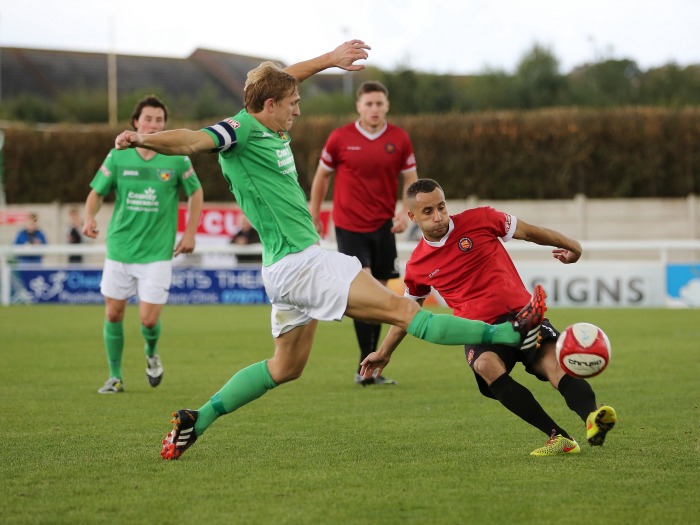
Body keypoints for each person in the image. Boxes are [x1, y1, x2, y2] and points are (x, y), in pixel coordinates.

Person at [112, 41, 545, 461]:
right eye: (293, 102)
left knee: (285, 368)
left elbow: (286, 79)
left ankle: (197, 419)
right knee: (406, 312)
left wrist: (331, 60)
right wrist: (141, 139)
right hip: (305, 264)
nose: (299, 108)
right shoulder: (238, 131)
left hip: (283, 269)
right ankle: (510, 334)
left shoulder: (265, 115)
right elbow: (190, 140)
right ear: (269, 105)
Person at [360, 178, 617, 456]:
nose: (438, 217)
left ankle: (592, 419)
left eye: (442, 207)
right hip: (478, 330)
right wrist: (384, 352)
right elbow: (407, 314)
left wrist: (574, 246)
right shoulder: (417, 266)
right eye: (428, 212)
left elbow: (530, 232)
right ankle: (558, 437)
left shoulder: (481, 218)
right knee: (486, 365)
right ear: (412, 217)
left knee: (556, 366)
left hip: (525, 316)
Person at [84, 95, 204, 394]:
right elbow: (97, 192)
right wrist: (89, 216)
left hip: (157, 254)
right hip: (120, 248)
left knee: (149, 321)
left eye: (159, 120)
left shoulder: (177, 157)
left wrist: (189, 232)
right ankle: (115, 377)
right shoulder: (117, 156)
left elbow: (196, 192)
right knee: (113, 314)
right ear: (136, 122)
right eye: (148, 119)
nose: (153, 124)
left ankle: (151, 355)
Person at [309, 81, 418, 386]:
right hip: (350, 225)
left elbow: (411, 179)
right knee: (366, 291)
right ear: (358, 106)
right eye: (368, 103)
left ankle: (370, 367)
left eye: (379, 104)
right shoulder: (340, 138)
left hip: (383, 227)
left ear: (387, 106)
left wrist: (405, 213)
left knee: (381, 297)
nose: (374, 109)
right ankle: (364, 368)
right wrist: (315, 214)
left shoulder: (399, 138)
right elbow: (322, 177)